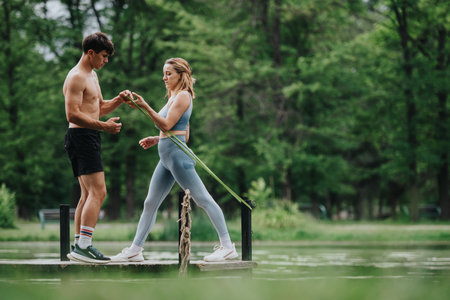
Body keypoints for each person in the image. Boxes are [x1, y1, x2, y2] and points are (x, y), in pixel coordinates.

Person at [111, 57, 238, 262]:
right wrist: (156, 139)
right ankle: (135, 249)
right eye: (164, 73)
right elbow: (183, 134)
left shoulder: (183, 97)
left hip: (178, 158)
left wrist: (145, 106)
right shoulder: (173, 96)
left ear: (181, 74)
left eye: (168, 73)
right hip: (166, 156)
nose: (164, 77)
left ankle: (227, 246)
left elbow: (167, 125)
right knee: (150, 202)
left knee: (203, 199)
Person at [63, 32, 131, 263]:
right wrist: (104, 127)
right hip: (80, 136)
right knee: (99, 192)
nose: (106, 61)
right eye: (103, 56)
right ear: (90, 53)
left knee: (87, 194)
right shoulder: (76, 77)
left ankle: (78, 245)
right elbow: (72, 114)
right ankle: (84, 246)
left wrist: (119, 100)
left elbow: (99, 107)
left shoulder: (92, 75)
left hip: (88, 136)